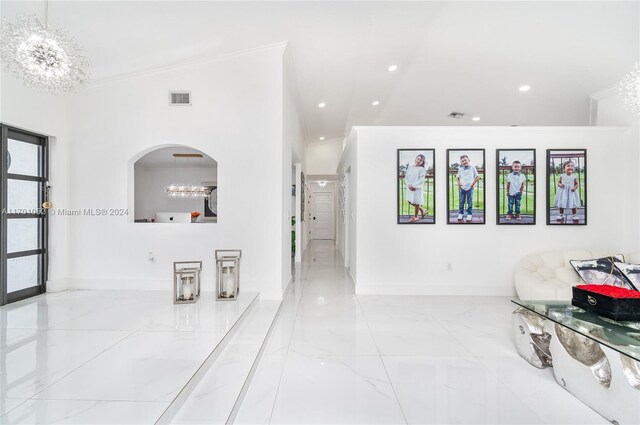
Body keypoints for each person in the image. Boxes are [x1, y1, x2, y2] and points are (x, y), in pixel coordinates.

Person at [456, 154, 480, 222]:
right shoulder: (460, 169)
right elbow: (457, 177)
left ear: (468, 160)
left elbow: (477, 177)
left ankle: (469, 214)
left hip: (470, 188)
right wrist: (459, 183)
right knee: (461, 201)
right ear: (461, 162)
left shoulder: (473, 168)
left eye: (465, 160)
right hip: (462, 188)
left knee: (469, 201)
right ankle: (460, 213)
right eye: (462, 161)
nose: (464, 161)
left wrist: (473, 183)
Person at [405, 154, 427, 223]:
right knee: (410, 201)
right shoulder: (410, 167)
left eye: (421, 160)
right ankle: (423, 210)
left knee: (416, 201)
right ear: (415, 159)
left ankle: (416, 216)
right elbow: (406, 177)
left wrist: (414, 186)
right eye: (418, 159)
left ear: (422, 162)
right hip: (410, 187)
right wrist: (409, 185)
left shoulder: (422, 169)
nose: (418, 161)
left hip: (417, 188)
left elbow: (421, 179)